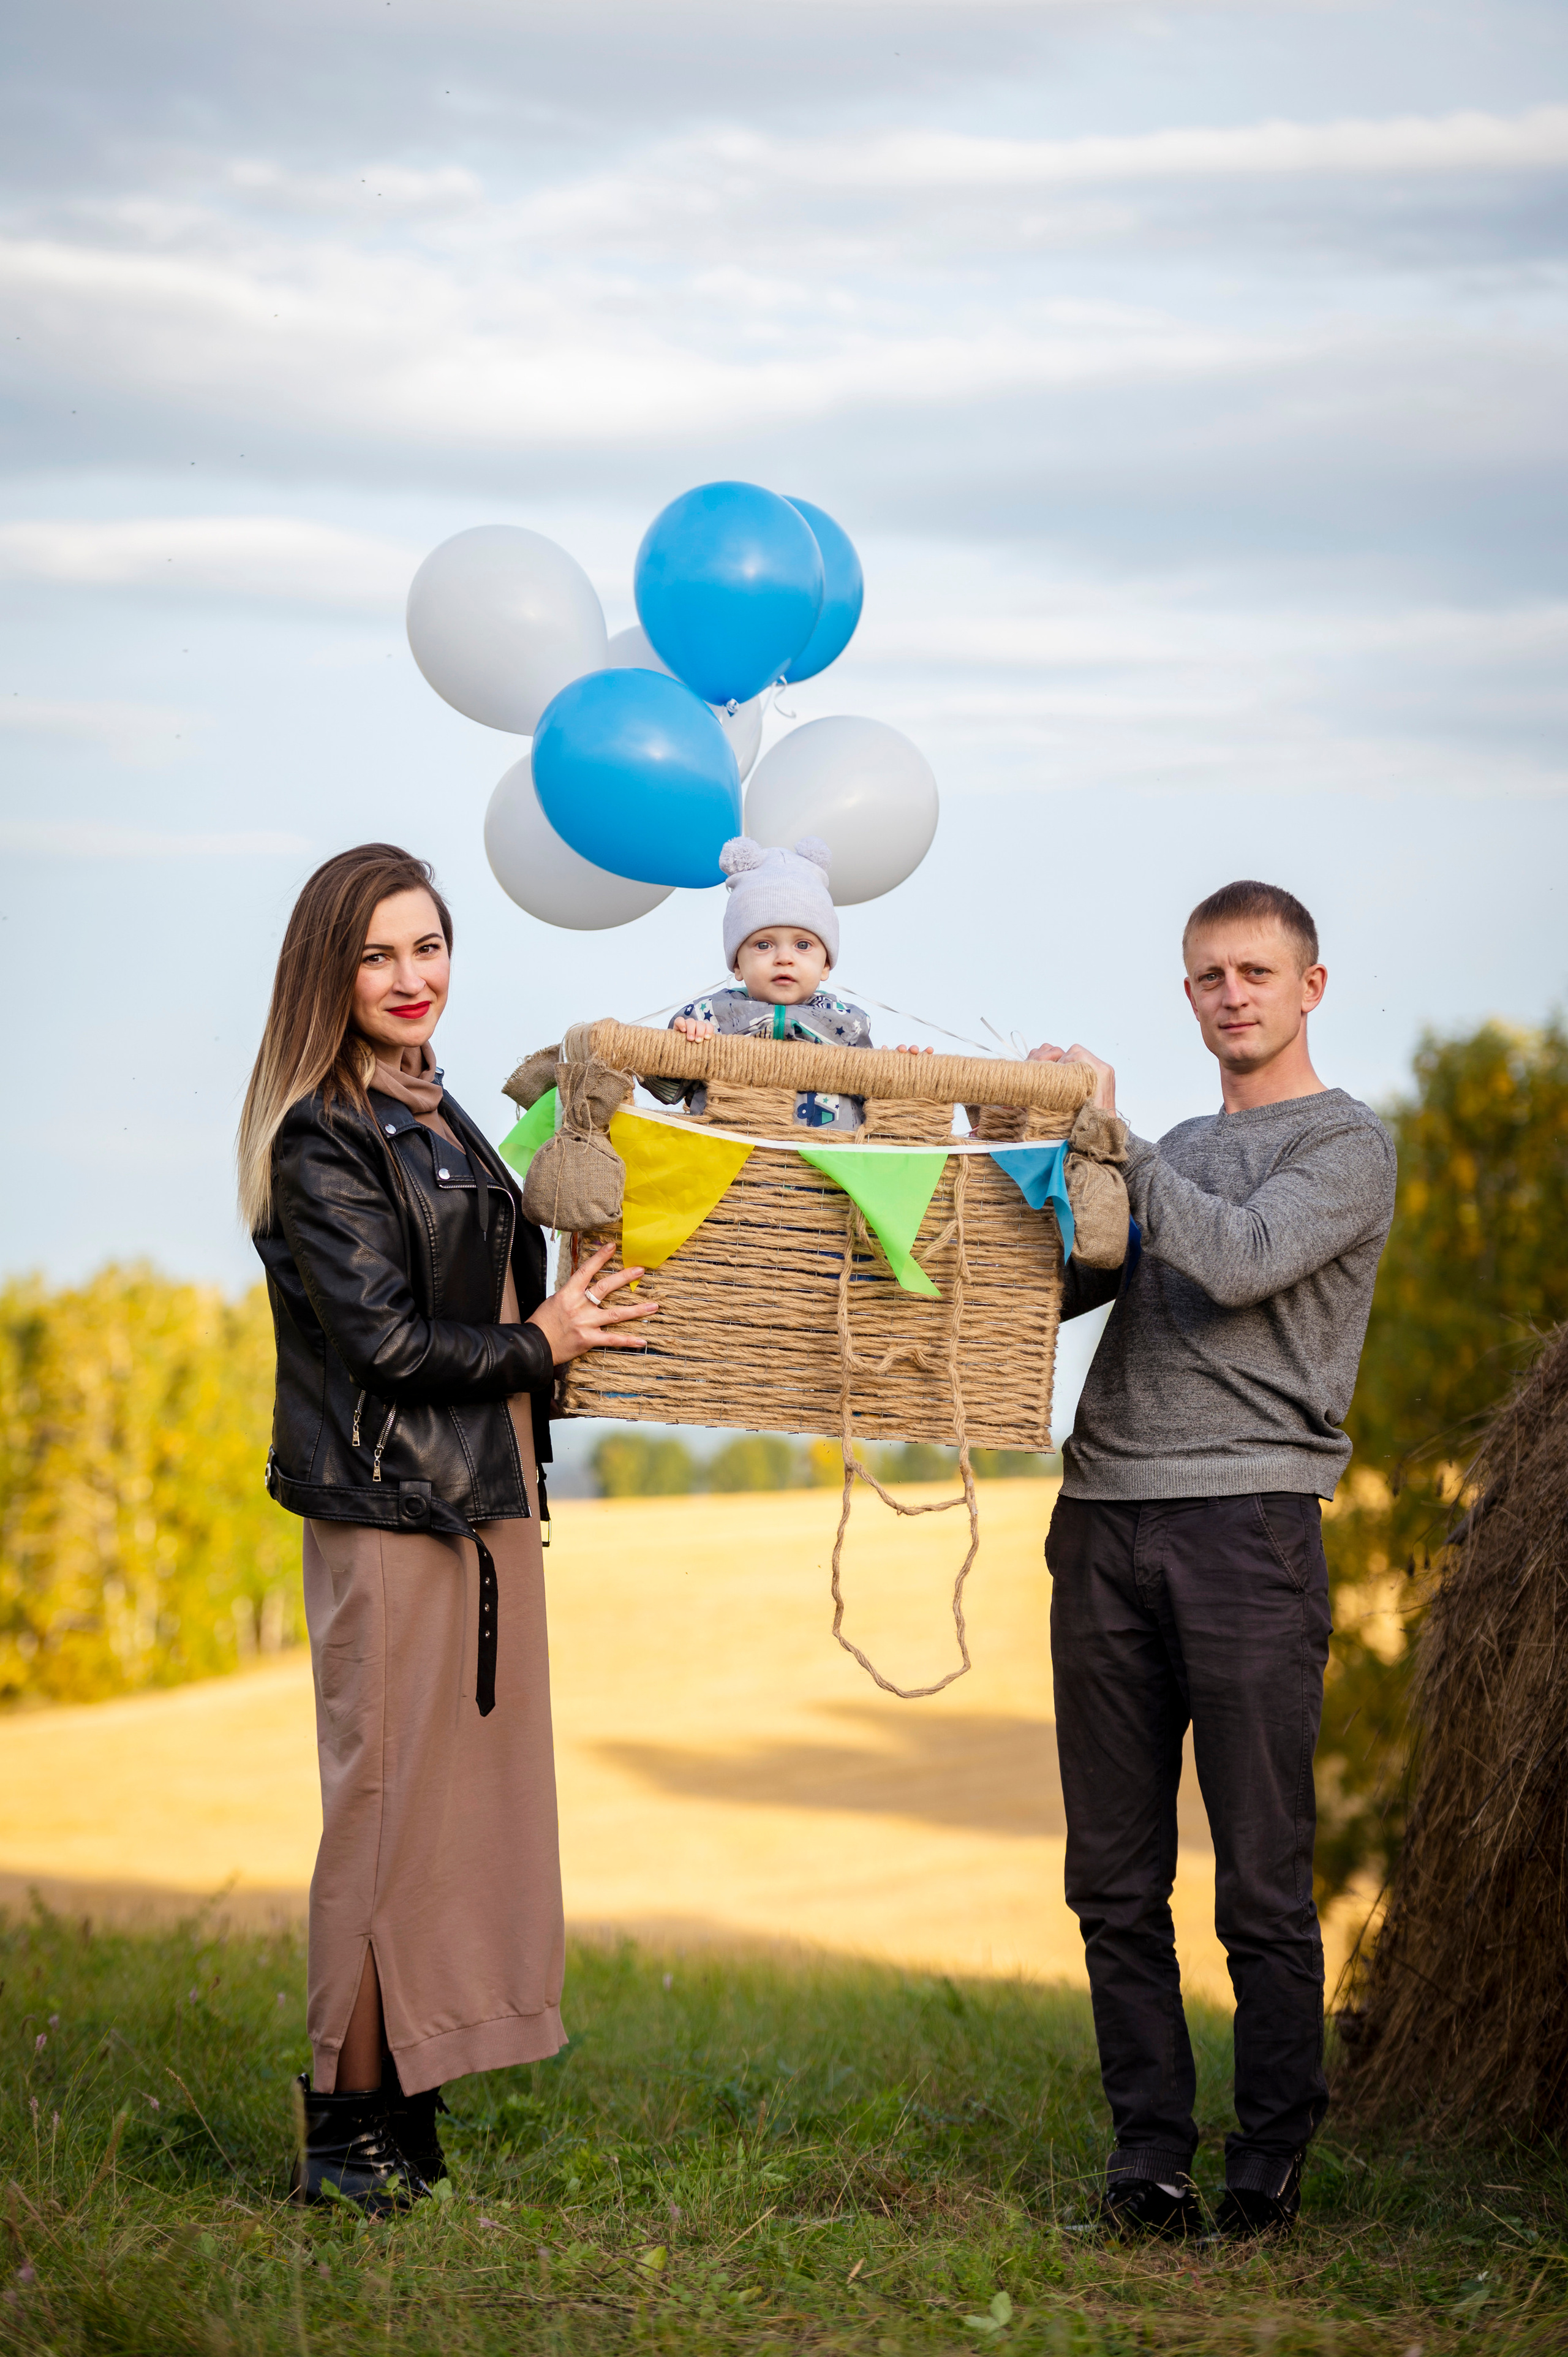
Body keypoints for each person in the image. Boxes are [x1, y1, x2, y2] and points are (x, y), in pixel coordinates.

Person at [236, 842, 657, 2211]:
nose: (412, 979)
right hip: (384, 1507)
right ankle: (340, 2124)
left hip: (477, 1497)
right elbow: (387, 1342)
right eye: (377, 955)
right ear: (330, 971)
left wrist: (574, 1319)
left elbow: (495, 1296)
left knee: (447, 1822)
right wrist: (541, 1337)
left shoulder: (441, 1110)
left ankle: (405, 2094)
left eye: (428, 947)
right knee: (376, 1811)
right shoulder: (322, 1131)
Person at [1029, 879, 1396, 2242]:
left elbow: (1238, 1260)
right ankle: (1148, 2156)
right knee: (1112, 1877)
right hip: (1103, 1521)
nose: (1228, 994)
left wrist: (1108, 1138)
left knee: (1256, 1874)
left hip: (1246, 1531)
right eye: (1204, 977)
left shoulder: (1347, 1147)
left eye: (1252, 971)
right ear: (1185, 997)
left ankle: (1268, 2153)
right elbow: (1070, 1277)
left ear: (1308, 985)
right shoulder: (1168, 1143)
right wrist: (1018, 1160)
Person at [643, 836, 876, 1130]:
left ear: (826, 964)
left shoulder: (849, 1021)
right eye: (764, 945)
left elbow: (879, 1091)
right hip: (735, 1161)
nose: (784, 958)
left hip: (824, 1163)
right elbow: (664, 1090)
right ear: (738, 964)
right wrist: (682, 1045)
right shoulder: (710, 1014)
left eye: (803, 946)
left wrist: (907, 1066)